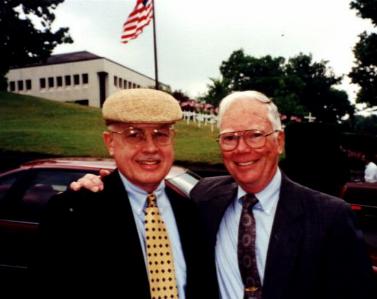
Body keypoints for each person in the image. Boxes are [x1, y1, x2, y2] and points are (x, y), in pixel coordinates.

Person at [71, 90, 376, 299]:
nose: (242, 149)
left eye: (256, 135)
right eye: (230, 138)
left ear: (279, 141)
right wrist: (95, 187)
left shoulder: (329, 217)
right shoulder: (203, 199)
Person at [31, 88, 216, 298]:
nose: (150, 148)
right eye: (134, 135)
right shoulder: (73, 213)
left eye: (160, 135)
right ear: (110, 143)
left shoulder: (191, 210)